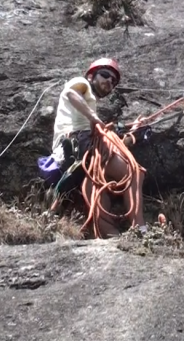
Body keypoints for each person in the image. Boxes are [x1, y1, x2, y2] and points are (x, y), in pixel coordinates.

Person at [51, 58, 147, 238]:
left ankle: (112, 237)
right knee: (134, 172)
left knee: (95, 183)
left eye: (113, 81)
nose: (109, 82)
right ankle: (141, 228)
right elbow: (72, 94)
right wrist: (94, 119)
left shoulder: (89, 108)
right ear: (91, 75)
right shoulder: (80, 83)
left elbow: (112, 145)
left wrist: (132, 131)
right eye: (105, 75)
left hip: (77, 148)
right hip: (76, 140)